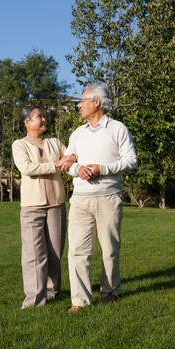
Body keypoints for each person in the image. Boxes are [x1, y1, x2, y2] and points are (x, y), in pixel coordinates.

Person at [61, 83, 138, 313]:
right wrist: (78, 169)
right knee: (77, 251)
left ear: (97, 102)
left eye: (82, 101)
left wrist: (102, 168)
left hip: (109, 198)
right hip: (80, 199)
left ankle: (110, 292)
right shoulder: (77, 133)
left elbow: (131, 161)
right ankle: (80, 300)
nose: (79, 106)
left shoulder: (118, 129)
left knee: (109, 249)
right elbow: (67, 163)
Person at [12, 104, 75, 308]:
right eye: (39, 116)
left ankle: (52, 291)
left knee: (55, 252)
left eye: (44, 116)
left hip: (57, 203)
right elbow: (28, 168)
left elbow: (70, 158)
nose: (44, 119)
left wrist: (71, 159)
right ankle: (34, 300)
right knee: (34, 254)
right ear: (27, 122)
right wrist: (56, 164)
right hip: (32, 206)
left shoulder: (55, 142)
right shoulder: (19, 145)